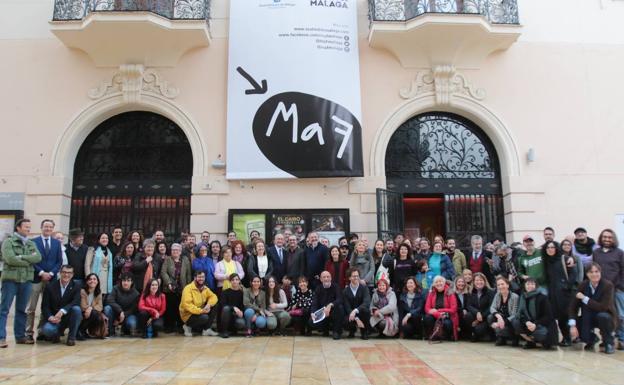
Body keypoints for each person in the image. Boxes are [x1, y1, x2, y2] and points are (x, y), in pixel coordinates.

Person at [0, 219, 42, 348]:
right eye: (26, 227)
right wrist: (28, 260)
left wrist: (21, 257)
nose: (28, 229)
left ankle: (20, 336)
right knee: (4, 309)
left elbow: (38, 257)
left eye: (29, 227)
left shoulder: (30, 243)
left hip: (26, 281)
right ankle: (1, 338)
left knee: (22, 310)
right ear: (18, 228)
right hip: (10, 280)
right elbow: (10, 259)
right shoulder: (8, 242)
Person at [26, 219, 62, 342]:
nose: (48, 229)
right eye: (46, 226)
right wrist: (41, 272)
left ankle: (41, 331)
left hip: (51, 279)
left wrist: (51, 273)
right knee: (31, 307)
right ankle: (28, 332)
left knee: (45, 306)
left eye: (50, 227)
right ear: (41, 227)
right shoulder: (33, 242)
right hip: (36, 278)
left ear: (53, 229)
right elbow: (31, 260)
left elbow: (59, 261)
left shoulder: (57, 243)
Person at [569, 262, 618, 354]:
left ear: (600, 272)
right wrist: (572, 325)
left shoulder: (608, 285)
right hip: (588, 316)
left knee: (603, 316)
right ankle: (592, 339)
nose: (594, 274)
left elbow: (602, 307)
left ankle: (608, 343)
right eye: (591, 272)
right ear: (587, 274)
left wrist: (584, 298)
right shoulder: (583, 285)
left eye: (597, 271)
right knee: (579, 325)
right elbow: (573, 307)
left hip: (606, 316)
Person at [591, 228, 624, 350]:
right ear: (601, 238)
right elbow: (593, 270)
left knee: (620, 316)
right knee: (603, 315)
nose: (607, 239)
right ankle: (606, 339)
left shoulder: (620, 253)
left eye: (609, 237)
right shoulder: (596, 253)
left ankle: (621, 339)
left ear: (613, 239)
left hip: (617, 290)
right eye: (604, 237)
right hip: (601, 291)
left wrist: (620, 286)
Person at [542, 240, 578, 346]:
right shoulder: (546, 261)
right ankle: (566, 338)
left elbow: (573, 273)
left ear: (556, 248)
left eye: (552, 247)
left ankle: (571, 338)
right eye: (548, 247)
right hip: (553, 294)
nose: (550, 249)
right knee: (559, 317)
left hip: (565, 294)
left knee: (567, 316)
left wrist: (567, 286)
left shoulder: (564, 259)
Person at [40, 265, 82, 346]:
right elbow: (44, 306)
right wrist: (50, 317)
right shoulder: (50, 286)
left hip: (68, 317)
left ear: (72, 274)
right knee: (47, 330)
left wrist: (63, 311)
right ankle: (57, 333)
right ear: (60, 273)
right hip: (54, 318)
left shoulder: (76, 286)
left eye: (69, 273)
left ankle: (71, 338)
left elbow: (75, 302)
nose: (66, 275)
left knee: (77, 309)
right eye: (64, 272)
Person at [514, 278, 557, 350]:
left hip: (542, 324)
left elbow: (548, 316)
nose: (530, 286)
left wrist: (535, 324)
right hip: (529, 324)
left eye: (532, 284)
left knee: (541, 333)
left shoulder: (542, 297)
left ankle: (545, 342)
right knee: (515, 321)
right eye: (528, 284)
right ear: (524, 286)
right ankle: (530, 342)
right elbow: (520, 314)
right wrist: (526, 322)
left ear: (536, 286)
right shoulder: (522, 297)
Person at [160, 243, 192, 333]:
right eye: (173, 250)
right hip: (170, 288)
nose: (175, 252)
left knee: (180, 308)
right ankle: (169, 326)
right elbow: (163, 272)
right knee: (170, 308)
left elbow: (188, 273)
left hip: (182, 287)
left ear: (180, 251)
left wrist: (188, 286)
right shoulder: (167, 259)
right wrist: (169, 283)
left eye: (177, 250)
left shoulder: (185, 260)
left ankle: (180, 326)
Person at [179, 271, 219, 337]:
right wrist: (201, 311)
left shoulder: (205, 288)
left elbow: (214, 296)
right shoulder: (188, 288)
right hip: (188, 315)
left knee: (215, 305)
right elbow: (187, 305)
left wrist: (208, 305)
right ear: (195, 278)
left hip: (199, 311)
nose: (201, 279)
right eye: (199, 277)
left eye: (203, 277)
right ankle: (187, 326)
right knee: (204, 317)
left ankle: (206, 330)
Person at [309, 271, 343, 339]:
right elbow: (314, 303)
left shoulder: (336, 286)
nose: (326, 279)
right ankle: (325, 329)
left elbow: (340, 299)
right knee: (311, 322)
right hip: (323, 312)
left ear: (331, 278)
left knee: (340, 308)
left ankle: (336, 332)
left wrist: (331, 305)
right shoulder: (318, 288)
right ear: (321, 279)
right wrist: (313, 312)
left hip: (334, 311)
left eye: (328, 277)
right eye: (324, 277)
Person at [104, 272, 139, 337]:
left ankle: (125, 329)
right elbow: (110, 300)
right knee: (107, 308)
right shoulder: (115, 288)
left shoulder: (136, 294)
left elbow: (133, 310)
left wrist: (121, 318)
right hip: (116, 313)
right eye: (124, 280)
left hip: (128, 315)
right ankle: (110, 331)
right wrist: (120, 311)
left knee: (132, 323)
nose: (126, 283)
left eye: (128, 281)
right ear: (121, 281)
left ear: (132, 282)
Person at [424, 275, 458, 341]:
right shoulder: (431, 293)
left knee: (447, 323)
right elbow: (427, 308)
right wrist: (438, 314)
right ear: (434, 284)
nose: (438, 283)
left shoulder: (450, 292)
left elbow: (454, 309)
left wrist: (439, 310)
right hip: (435, 315)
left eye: (440, 281)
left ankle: (446, 336)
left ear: (444, 282)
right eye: (436, 282)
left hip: (448, 315)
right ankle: (432, 335)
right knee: (427, 318)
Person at [489, 276, 519, 346]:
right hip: (501, 319)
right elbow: (492, 307)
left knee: (514, 321)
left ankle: (514, 337)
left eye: (502, 284)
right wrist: (498, 316)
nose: (500, 286)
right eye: (498, 285)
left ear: (507, 285)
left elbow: (514, 314)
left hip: (510, 321)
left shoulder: (515, 297)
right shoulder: (497, 295)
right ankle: (501, 338)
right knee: (490, 317)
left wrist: (503, 322)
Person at [465, 272, 495, 342]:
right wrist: (477, 312)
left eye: (481, 280)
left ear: (484, 281)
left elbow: (491, 307)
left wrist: (480, 317)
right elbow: (469, 305)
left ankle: (488, 333)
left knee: (479, 330)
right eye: (477, 280)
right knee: (467, 315)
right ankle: (473, 333)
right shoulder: (471, 292)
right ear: (474, 282)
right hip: (475, 315)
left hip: (485, 317)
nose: (479, 282)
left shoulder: (490, 292)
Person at [342, 267, 371, 339]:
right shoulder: (345, 291)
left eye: (357, 276)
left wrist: (355, 311)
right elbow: (347, 307)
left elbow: (366, 302)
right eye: (354, 276)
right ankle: (352, 330)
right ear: (349, 278)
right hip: (351, 314)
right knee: (345, 320)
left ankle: (364, 332)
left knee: (366, 311)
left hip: (361, 312)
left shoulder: (364, 288)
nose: (356, 278)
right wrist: (357, 319)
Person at [85, 232, 114, 298]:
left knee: (103, 296)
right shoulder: (92, 249)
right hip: (95, 277)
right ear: (99, 240)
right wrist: (88, 277)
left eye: (106, 238)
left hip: (106, 278)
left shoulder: (109, 251)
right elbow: (87, 264)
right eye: (103, 238)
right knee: (93, 295)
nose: (105, 239)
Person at [80, 273, 108, 338]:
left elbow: (100, 307)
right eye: (90, 279)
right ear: (87, 282)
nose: (92, 281)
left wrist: (90, 308)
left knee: (95, 314)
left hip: (91, 313)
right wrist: (90, 309)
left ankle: (91, 332)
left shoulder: (98, 292)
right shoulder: (82, 291)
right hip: (82, 313)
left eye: (94, 279)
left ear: (97, 282)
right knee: (94, 313)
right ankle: (81, 330)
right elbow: (83, 306)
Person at [219, 273, 246, 338]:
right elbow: (223, 305)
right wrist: (233, 307)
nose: (235, 281)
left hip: (236, 316)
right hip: (226, 315)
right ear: (230, 281)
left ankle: (233, 330)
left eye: (237, 279)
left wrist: (241, 311)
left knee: (241, 323)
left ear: (239, 281)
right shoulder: (225, 292)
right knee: (226, 308)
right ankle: (224, 331)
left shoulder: (241, 293)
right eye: (233, 280)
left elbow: (243, 305)